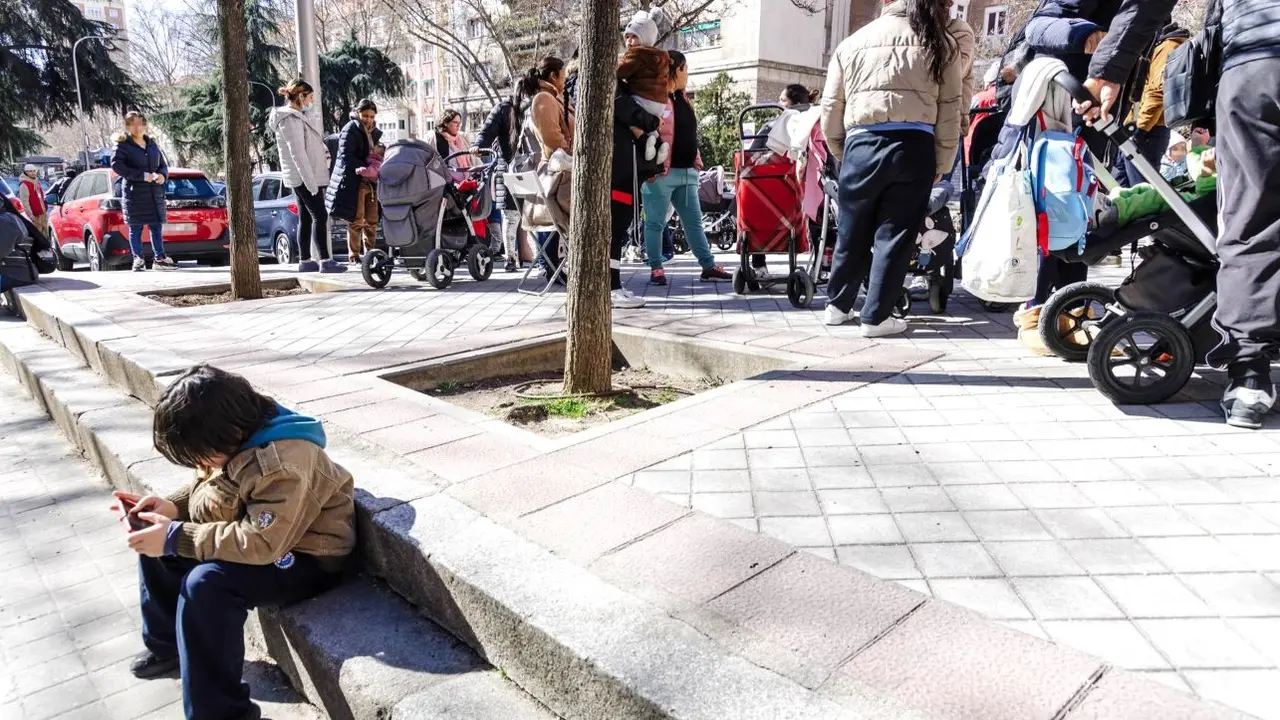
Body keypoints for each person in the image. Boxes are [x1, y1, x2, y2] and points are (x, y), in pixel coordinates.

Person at [1080, 0, 1280, 427]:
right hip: (1257, 54)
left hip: (1257, 59)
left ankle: (1249, 374)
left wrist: (1111, 67)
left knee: (1251, 219)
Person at [118, 364, 354, 720]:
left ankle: (221, 714)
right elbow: (216, 485)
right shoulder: (239, 433)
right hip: (266, 537)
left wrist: (173, 535)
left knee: (207, 585)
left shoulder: (282, 464)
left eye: (200, 456)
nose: (199, 465)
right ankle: (167, 646)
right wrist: (172, 509)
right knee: (158, 542)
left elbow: (261, 543)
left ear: (225, 432)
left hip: (305, 557)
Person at [820, 0, 966, 337]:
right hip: (914, 145)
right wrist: (943, 162)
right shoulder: (941, 42)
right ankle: (876, 317)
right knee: (896, 233)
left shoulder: (852, 43)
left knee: (851, 228)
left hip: (861, 144)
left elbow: (831, 106)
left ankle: (837, 306)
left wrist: (842, 150)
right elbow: (950, 108)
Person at [642, 50, 731, 286]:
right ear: (677, 69)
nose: (688, 74)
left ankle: (708, 266)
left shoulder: (683, 98)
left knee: (693, 222)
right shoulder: (656, 98)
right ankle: (656, 269)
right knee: (655, 222)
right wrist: (649, 168)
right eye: (686, 69)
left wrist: (697, 160)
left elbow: (688, 132)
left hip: (687, 172)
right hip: (661, 174)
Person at [271, 80, 345, 273]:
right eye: (309, 96)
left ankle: (305, 260)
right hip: (304, 177)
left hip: (305, 175)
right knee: (320, 216)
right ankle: (325, 260)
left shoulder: (296, 117)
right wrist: (310, 182)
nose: (311, 101)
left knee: (306, 217)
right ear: (301, 96)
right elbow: (298, 153)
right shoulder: (289, 119)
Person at [748, 84, 819, 278]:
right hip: (805, 193)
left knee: (755, 206)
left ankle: (758, 264)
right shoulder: (816, 124)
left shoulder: (774, 126)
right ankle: (821, 261)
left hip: (771, 193)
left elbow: (751, 157)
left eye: (782, 100)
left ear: (792, 103)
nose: (779, 103)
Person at [520, 57, 573, 285]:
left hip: (560, 170)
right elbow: (551, 138)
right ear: (553, 76)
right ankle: (554, 266)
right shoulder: (544, 99)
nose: (566, 80)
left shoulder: (552, 98)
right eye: (563, 75)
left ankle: (553, 265)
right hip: (559, 171)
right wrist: (572, 149)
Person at [1116, 24, 1188, 188]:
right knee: (1121, 182)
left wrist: (1140, 129)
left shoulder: (1168, 47)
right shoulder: (1160, 47)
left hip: (1148, 130)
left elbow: (1157, 92)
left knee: (1140, 188)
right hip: (1139, 127)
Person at [111, 112, 177, 271]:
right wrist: (141, 176)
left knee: (156, 227)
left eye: (140, 123)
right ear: (127, 127)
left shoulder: (152, 144)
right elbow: (117, 166)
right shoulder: (123, 145)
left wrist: (163, 175)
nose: (137, 127)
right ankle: (138, 259)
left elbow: (163, 165)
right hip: (135, 194)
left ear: (145, 125)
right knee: (136, 227)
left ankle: (159, 259)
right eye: (132, 124)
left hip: (154, 193)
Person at [475, 92, 529, 273]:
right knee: (530, 214)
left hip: (507, 166)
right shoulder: (533, 105)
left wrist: (479, 145)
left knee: (511, 217)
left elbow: (487, 131)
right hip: (527, 167)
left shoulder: (504, 108)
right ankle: (537, 258)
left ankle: (511, 259)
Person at [327, 98, 381, 268]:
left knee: (372, 220)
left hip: (370, 181)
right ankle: (354, 255)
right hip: (355, 180)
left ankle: (371, 253)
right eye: (365, 115)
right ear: (358, 113)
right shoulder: (351, 128)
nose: (368, 119)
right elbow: (345, 156)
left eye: (372, 116)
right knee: (356, 220)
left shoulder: (374, 132)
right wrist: (366, 166)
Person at [17, 164, 47, 238]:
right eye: (30, 171)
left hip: (42, 213)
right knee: (37, 235)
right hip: (34, 215)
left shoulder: (36, 181)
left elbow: (40, 197)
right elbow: (24, 202)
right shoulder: (24, 184)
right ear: (26, 172)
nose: (33, 173)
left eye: (34, 171)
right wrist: (30, 215)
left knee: (46, 234)